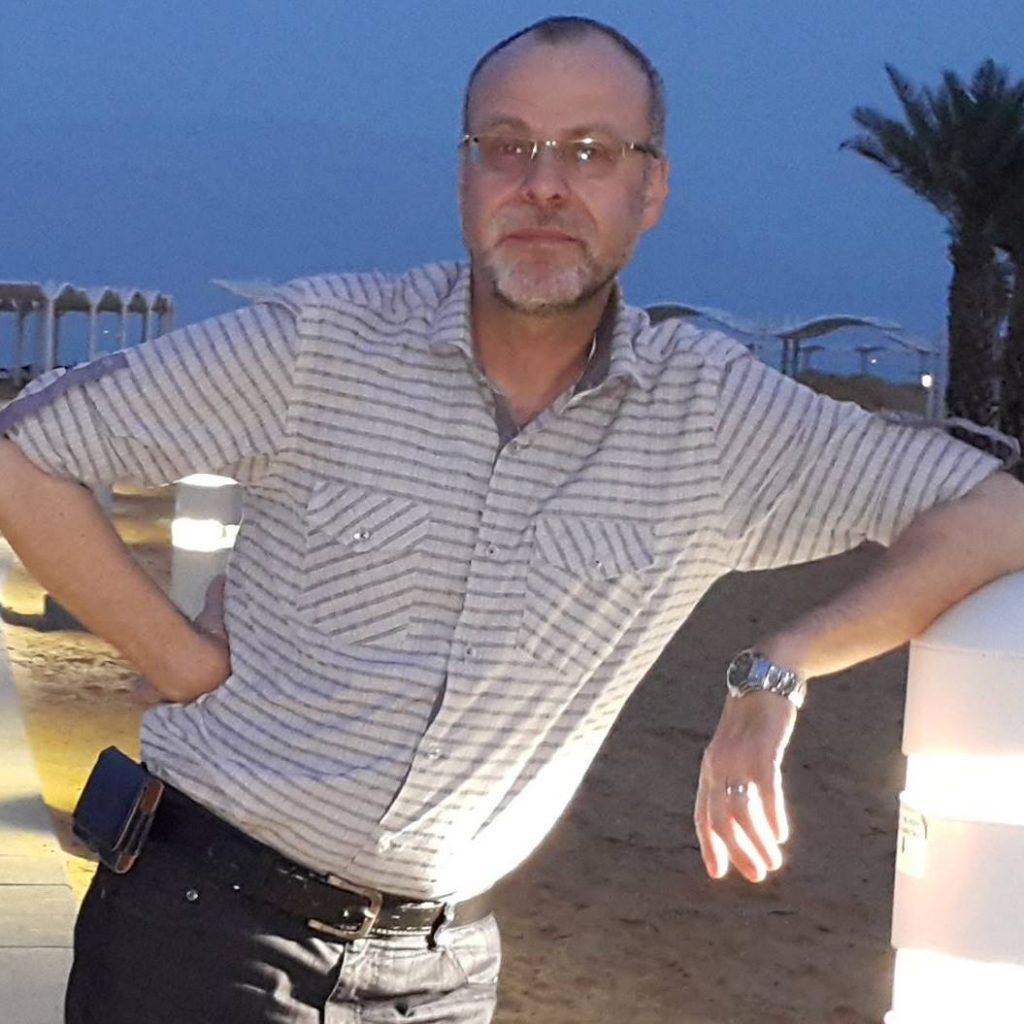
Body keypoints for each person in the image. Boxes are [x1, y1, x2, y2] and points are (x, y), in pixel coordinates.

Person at [1, 14, 1022, 1024]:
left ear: (650, 189)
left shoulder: (713, 418)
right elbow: (22, 455)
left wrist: (780, 666)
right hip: (202, 931)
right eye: (507, 146)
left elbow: (998, 512)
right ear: (465, 178)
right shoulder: (322, 346)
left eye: (591, 151)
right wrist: (179, 659)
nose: (544, 184)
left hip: (439, 975)